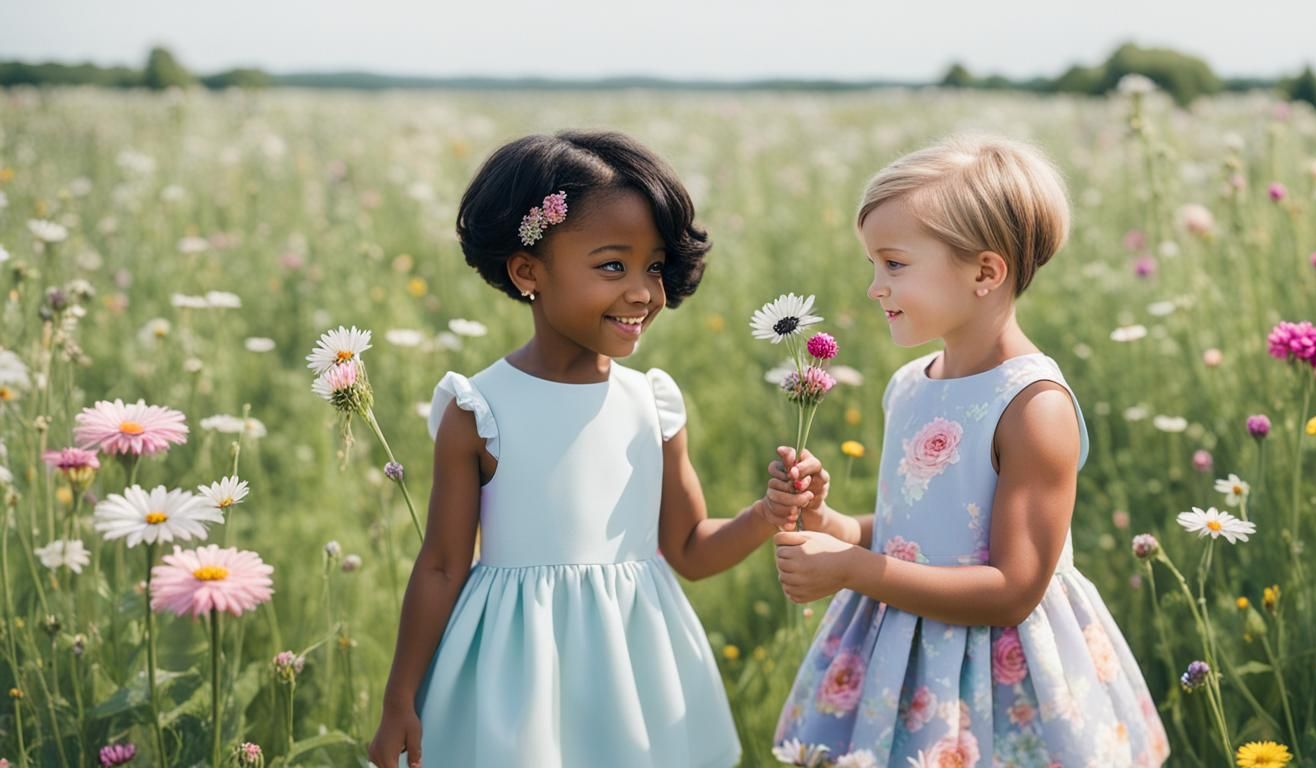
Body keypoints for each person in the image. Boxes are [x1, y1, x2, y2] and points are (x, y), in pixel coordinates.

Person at [367, 130, 816, 768]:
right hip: (513, 668)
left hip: (639, 673)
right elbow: (442, 564)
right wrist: (399, 699)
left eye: (654, 266)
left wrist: (768, 515)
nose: (642, 292)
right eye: (613, 265)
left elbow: (689, 550)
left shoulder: (653, 403)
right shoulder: (480, 412)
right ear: (528, 271)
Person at [769, 135, 1170, 766]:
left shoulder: (1033, 406)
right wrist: (833, 525)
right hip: (907, 659)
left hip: (998, 678)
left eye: (894, 264)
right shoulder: (911, 384)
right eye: (873, 264)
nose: (875, 287)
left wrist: (852, 569)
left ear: (985, 271)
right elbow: (920, 532)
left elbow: (1013, 588)